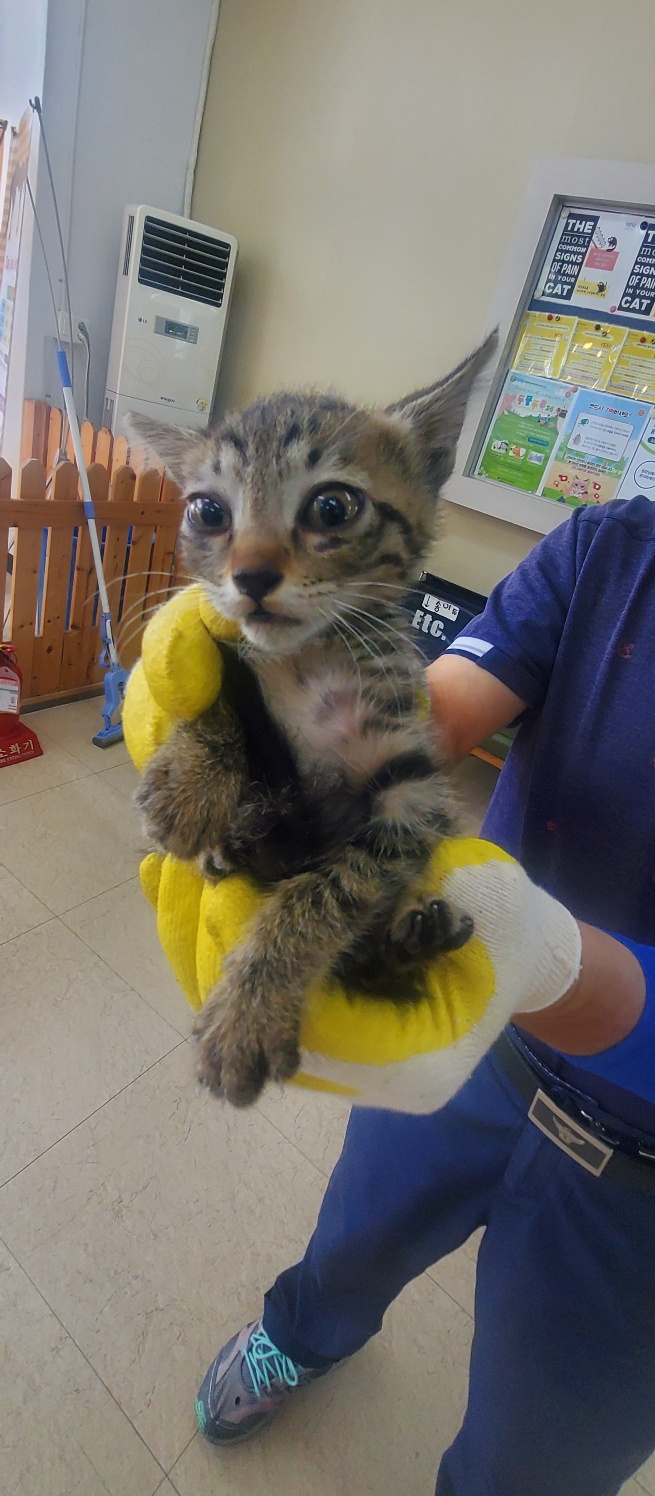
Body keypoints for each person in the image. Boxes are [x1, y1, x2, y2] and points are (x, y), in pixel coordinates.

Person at [194, 493, 655, 1496]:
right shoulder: (614, 546)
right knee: (357, 1232)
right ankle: (300, 1333)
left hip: (640, 1181)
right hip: (473, 1045)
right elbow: (443, 704)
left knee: (537, 1457)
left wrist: (558, 967)